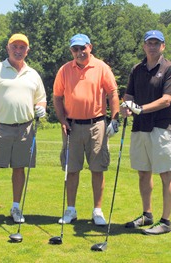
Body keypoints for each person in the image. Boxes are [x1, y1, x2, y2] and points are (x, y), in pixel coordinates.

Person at [0, 33, 47, 225]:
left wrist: (41, 107)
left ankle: (16, 207)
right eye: (14, 47)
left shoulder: (33, 74)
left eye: (22, 47)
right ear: (8, 48)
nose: (18, 50)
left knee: (19, 169)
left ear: (27, 50)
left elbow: (41, 98)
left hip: (25, 129)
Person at [53, 33, 120, 225]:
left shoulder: (101, 67)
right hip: (71, 126)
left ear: (90, 47)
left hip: (97, 124)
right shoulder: (65, 70)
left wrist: (114, 119)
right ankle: (71, 209)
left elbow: (113, 93)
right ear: (71, 50)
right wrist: (62, 119)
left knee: (97, 168)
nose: (79, 52)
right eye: (75, 49)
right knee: (71, 169)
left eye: (83, 48)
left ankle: (97, 211)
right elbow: (57, 97)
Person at [120, 30, 171, 235]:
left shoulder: (170, 69)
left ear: (163, 46)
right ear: (144, 46)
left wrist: (141, 109)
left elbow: (166, 100)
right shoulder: (137, 69)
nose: (152, 46)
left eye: (157, 43)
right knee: (143, 172)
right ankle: (147, 215)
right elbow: (129, 95)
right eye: (149, 43)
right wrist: (125, 107)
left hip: (161, 127)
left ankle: (166, 221)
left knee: (165, 173)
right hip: (139, 127)